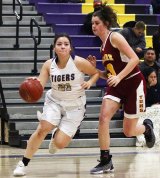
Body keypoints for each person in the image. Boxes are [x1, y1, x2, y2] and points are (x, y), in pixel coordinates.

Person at [13, 33, 99, 176]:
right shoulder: (48, 64)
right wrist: (33, 83)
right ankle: (23, 163)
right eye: (59, 44)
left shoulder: (78, 62)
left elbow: (95, 73)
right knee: (42, 129)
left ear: (70, 48)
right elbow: (40, 83)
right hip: (55, 101)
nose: (63, 46)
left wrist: (90, 82)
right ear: (54, 47)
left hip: (75, 106)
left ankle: (55, 135)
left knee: (60, 144)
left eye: (66, 44)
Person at [88, 6, 156, 174]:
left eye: (96, 23)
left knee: (129, 131)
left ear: (106, 23)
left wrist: (118, 77)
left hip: (133, 83)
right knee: (103, 118)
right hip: (117, 86)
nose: (93, 26)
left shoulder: (115, 37)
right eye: (92, 23)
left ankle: (147, 128)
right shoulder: (102, 46)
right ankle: (106, 160)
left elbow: (134, 59)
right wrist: (95, 71)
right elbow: (109, 73)